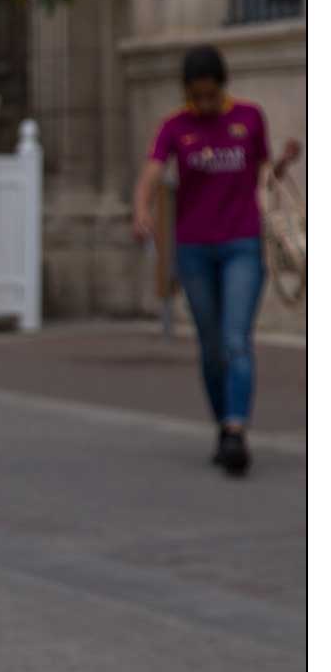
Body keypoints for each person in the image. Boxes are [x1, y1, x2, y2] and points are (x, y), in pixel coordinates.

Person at [134, 45, 301, 477]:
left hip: (243, 243)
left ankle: (235, 430)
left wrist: (283, 163)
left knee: (235, 339)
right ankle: (222, 424)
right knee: (210, 348)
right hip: (194, 249)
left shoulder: (249, 117)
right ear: (187, 92)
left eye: (211, 95)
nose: (205, 104)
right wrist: (141, 209)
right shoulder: (175, 126)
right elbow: (152, 171)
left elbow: (263, 175)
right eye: (197, 96)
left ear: (222, 87)